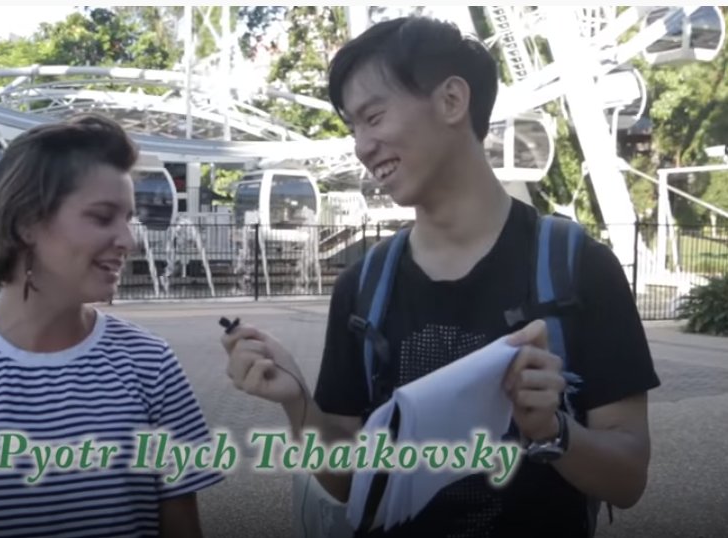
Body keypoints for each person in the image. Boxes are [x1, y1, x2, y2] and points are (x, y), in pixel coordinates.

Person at [220, 15, 660, 538]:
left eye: (374, 116)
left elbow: (628, 477)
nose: (362, 145)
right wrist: (297, 401)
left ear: (453, 100)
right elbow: (346, 482)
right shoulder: (364, 287)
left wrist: (555, 431)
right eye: (354, 127)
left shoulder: (579, 267)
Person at [0, 113, 223, 537]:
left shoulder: (151, 364)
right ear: (26, 223)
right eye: (104, 217)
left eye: (128, 218)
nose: (128, 240)